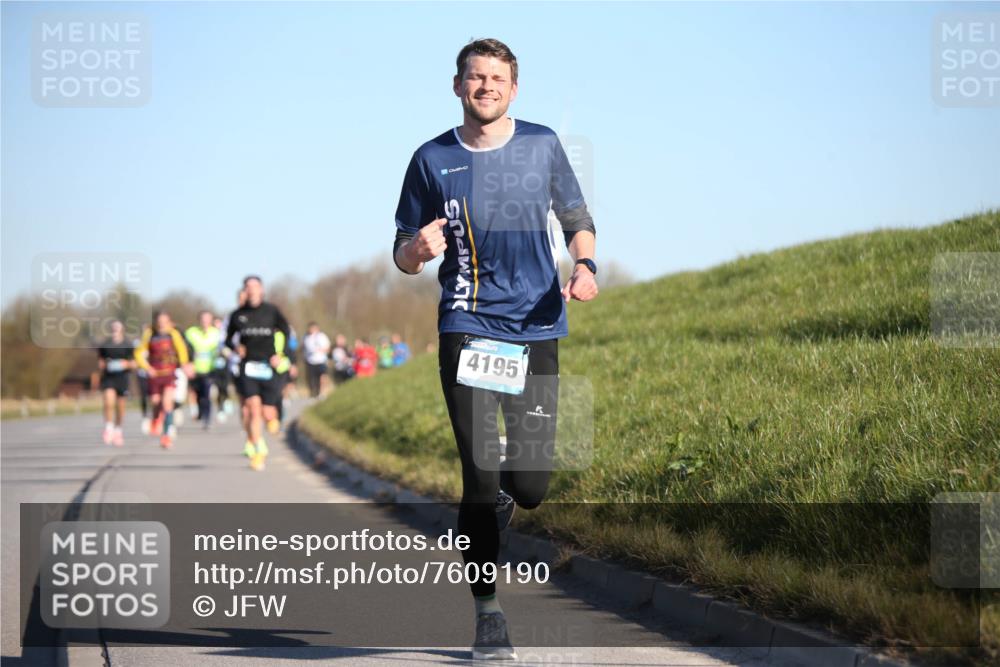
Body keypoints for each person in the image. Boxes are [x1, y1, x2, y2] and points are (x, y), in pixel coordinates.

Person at [392, 38, 598, 660]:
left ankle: (501, 497)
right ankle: (488, 613)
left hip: (536, 327)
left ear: (514, 88)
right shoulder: (432, 159)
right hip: (467, 326)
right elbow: (402, 251)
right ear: (457, 86)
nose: (486, 86)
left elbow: (576, 218)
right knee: (480, 476)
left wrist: (585, 265)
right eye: (475, 77)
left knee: (530, 483)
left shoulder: (541, 145)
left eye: (497, 78)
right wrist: (416, 253)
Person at [225, 276, 290, 471]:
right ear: (244, 290)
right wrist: (236, 347)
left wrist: (281, 354)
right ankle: (257, 450)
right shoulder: (237, 315)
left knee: (267, 413)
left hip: (268, 365)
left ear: (261, 289)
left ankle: (272, 420)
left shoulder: (272, 311)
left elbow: (286, 332)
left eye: (255, 286)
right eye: (248, 286)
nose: (252, 290)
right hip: (248, 367)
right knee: (253, 407)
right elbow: (228, 339)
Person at [134, 311, 194, 449]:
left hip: (169, 373)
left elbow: (182, 350)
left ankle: (166, 435)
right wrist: (147, 367)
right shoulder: (149, 334)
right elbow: (138, 353)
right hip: (155, 374)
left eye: (164, 322)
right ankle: (156, 418)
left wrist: (185, 365)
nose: (162, 324)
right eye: (159, 322)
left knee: (167, 403)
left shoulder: (173, 334)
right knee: (155, 401)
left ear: (169, 322)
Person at [96, 320, 135, 447]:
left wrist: (125, 364)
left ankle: (118, 430)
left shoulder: (128, 344)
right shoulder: (105, 344)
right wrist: (103, 365)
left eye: (118, 327)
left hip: (122, 378)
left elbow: (135, 363)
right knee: (108, 402)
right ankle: (108, 427)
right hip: (109, 377)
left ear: (122, 329)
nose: (115, 330)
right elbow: (100, 361)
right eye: (113, 327)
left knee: (120, 407)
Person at [185, 310, 222, 430]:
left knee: (207, 393)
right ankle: (200, 412)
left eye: (208, 319)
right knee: (197, 394)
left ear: (211, 320)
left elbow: (222, 349)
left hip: (210, 369)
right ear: (199, 320)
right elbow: (185, 349)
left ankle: (207, 419)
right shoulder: (191, 332)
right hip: (195, 369)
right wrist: (188, 362)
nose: (205, 322)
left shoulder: (217, 333)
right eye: (203, 319)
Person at [211, 316, 232, 422]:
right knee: (218, 388)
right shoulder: (212, 335)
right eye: (215, 324)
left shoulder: (226, 334)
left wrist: (227, 352)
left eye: (219, 324)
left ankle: (227, 399)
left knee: (225, 386)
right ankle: (220, 408)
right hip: (215, 365)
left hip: (226, 365)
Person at [302, 322, 330, 398]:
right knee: (311, 379)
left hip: (321, 360)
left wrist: (320, 350)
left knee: (322, 377)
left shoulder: (322, 336)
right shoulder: (306, 337)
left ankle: (321, 392)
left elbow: (327, 348)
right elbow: (303, 348)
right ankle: (313, 392)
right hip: (310, 361)